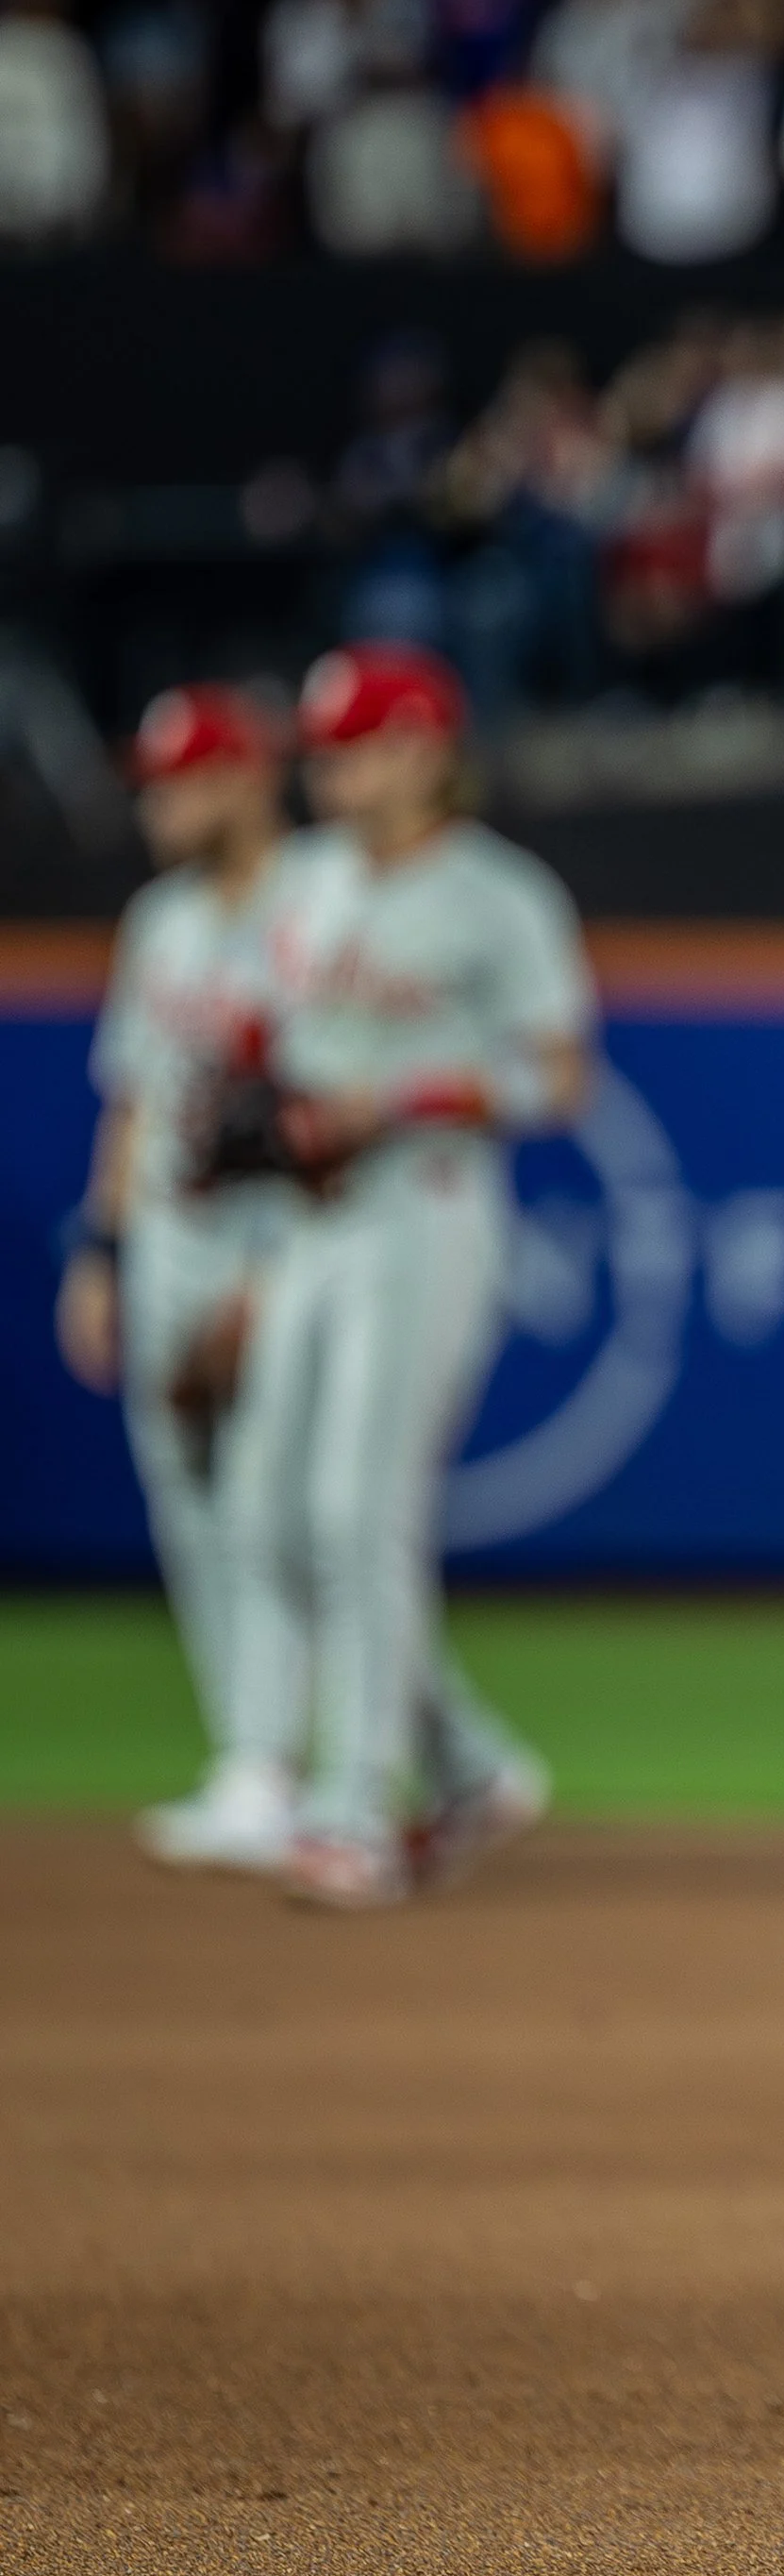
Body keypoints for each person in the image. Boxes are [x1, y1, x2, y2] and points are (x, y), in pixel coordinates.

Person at [216, 642, 596, 1911]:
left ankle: (355, 1809)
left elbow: (559, 1077)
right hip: (307, 1223)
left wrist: (399, 1094)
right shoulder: (308, 881)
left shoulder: (498, 893)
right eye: (324, 745)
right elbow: (262, 1051)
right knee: (270, 1508)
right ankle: (468, 1762)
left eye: (358, 741)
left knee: (354, 1506)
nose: (333, 765)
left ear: (426, 746)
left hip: (425, 1208)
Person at [58, 686, 304, 1870]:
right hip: (164, 1239)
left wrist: (279, 1278)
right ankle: (246, 1757)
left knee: (275, 1502)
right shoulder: (159, 919)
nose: (161, 800)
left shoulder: (318, 907)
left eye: (185, 776)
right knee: (191, 1507)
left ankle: (291, 1763)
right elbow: (137, 1099)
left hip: (276, 1238)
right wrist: (100, 1252)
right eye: (154, 779)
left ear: (250, 778)